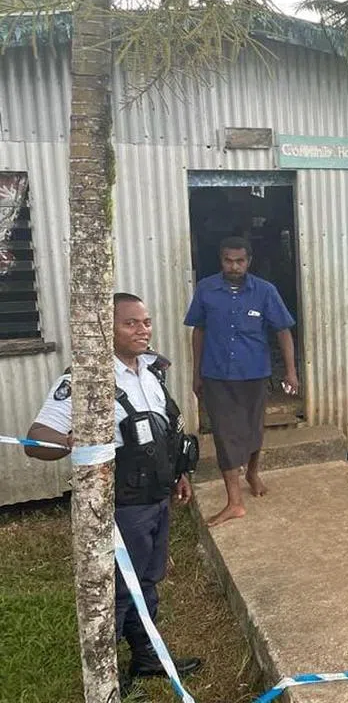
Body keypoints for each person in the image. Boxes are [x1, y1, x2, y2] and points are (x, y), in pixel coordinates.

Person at [26, 293, 202, 694]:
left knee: (148, 580)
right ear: (108, 330)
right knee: (119, 589)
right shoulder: (87, 379)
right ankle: (105, 675)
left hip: (156, 500)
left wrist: (180, 474)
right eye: (131, 323)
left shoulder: (152, 371)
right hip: (120, 507)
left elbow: (165, 431)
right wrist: (74, 441)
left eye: (147, 322)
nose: (143, 330)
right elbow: (35, 441)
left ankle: (147, 657)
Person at [184, 236, 298, 527]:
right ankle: (234, 502)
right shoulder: (206, 290)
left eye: (240, 261)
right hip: (217, 373)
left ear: (249, 261)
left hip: (254, 373)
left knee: (253, 429)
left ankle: (252, 472)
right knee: (225, 433)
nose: (234, 266)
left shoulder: (265, 291)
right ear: (220, 260)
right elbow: (198, 331)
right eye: (228, 260)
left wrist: (291, 371)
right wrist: (196, 372)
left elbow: (283, 331)